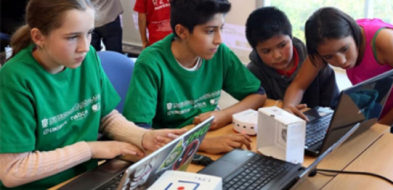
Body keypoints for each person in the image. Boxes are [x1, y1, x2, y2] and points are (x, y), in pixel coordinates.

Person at [0, 0, 185, 189]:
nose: (85, 47)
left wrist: (142, 137)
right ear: (39, 37)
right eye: (72, 37)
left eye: (89, 33)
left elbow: (104, 116)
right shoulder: (15, 79)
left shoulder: (87, 58)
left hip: (85, 178)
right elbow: (13, 170)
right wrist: (90, 149)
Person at [123, 0, 267, 154]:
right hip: (169, 151)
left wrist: (223, 115)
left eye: (221, 29)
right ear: (181, 31)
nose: (219, 40)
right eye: (210, 31)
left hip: (209, 135)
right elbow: (139, 131)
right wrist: (202, 143)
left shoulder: (219, 53)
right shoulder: (151, 63)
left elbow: (258, 94)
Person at [283, 7, 393, 125]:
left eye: (344, 49)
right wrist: (287, 109)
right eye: (329, 57)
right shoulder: (323, 49)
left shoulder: (386, 41)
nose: (342, 61)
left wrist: (383, 125)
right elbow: (299, 85)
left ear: (354, 33)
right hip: (378, 103)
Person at [245, 7, 339, 109]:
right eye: (266, 51)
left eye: (282, 45)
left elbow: (335, 107)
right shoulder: (253, 74)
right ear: (256, 50)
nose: (277, 56)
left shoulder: (315, 61)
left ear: (291, 37)